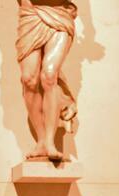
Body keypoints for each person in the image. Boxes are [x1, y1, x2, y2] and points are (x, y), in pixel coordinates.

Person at [17, 0, 78, 161]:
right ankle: (41, 140)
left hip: (59, 14)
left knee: (50, 75)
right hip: (30, 14)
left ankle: (50, 142)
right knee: (28, 79)